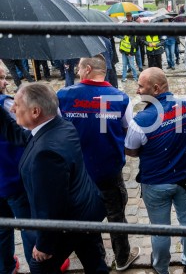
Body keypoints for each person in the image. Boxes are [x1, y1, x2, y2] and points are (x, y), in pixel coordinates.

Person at [0, 82, 108, 274]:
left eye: (17, 104)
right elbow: (21, 137)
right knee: (95, 262)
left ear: (35, 111)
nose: (13, 108)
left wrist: (44, 246)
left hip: (68, 222)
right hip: (86, 212)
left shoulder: (45, 154)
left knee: (40, 267)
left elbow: (49, 206)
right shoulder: (61, 126)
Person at [57, 55, 140, 271]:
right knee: (116, 215)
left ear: (87, 69)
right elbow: (127, 131)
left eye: (78, 66)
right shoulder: (120, 98)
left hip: (77, 171)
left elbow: (56, 130)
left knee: (84, 216)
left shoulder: (63, 96)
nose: (76, 68)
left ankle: (96, 259)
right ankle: (122, 257)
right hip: (108, 168)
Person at [125, 68, 186, 274]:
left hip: (156, 184)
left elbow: (131, 150)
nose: (137, 90)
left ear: (156, 88)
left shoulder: (141, 121)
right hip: (185, 179)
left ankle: (160, 268)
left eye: (141, 85)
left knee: (160, 230)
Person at [0, 61, 35, 274]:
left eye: (4, 77)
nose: (4, 83)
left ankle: (6, 267)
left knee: (2, 229)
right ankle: (38, 266)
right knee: (29, 226)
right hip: (13, 178)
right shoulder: (5, 105)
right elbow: (27, 131)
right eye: (1, 78)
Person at [120, 12, 139, 82]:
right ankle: (124, 77)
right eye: (127, 16)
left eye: (129, 16)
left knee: (132, 65)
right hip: (124, 51)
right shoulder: (123, 35)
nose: (128, 17)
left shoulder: (133, 35)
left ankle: (135, 77)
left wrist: (131, 52)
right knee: (124, 65)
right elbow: (121, 43)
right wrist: (121, 50)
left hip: (130, 52)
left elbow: (134, 44)